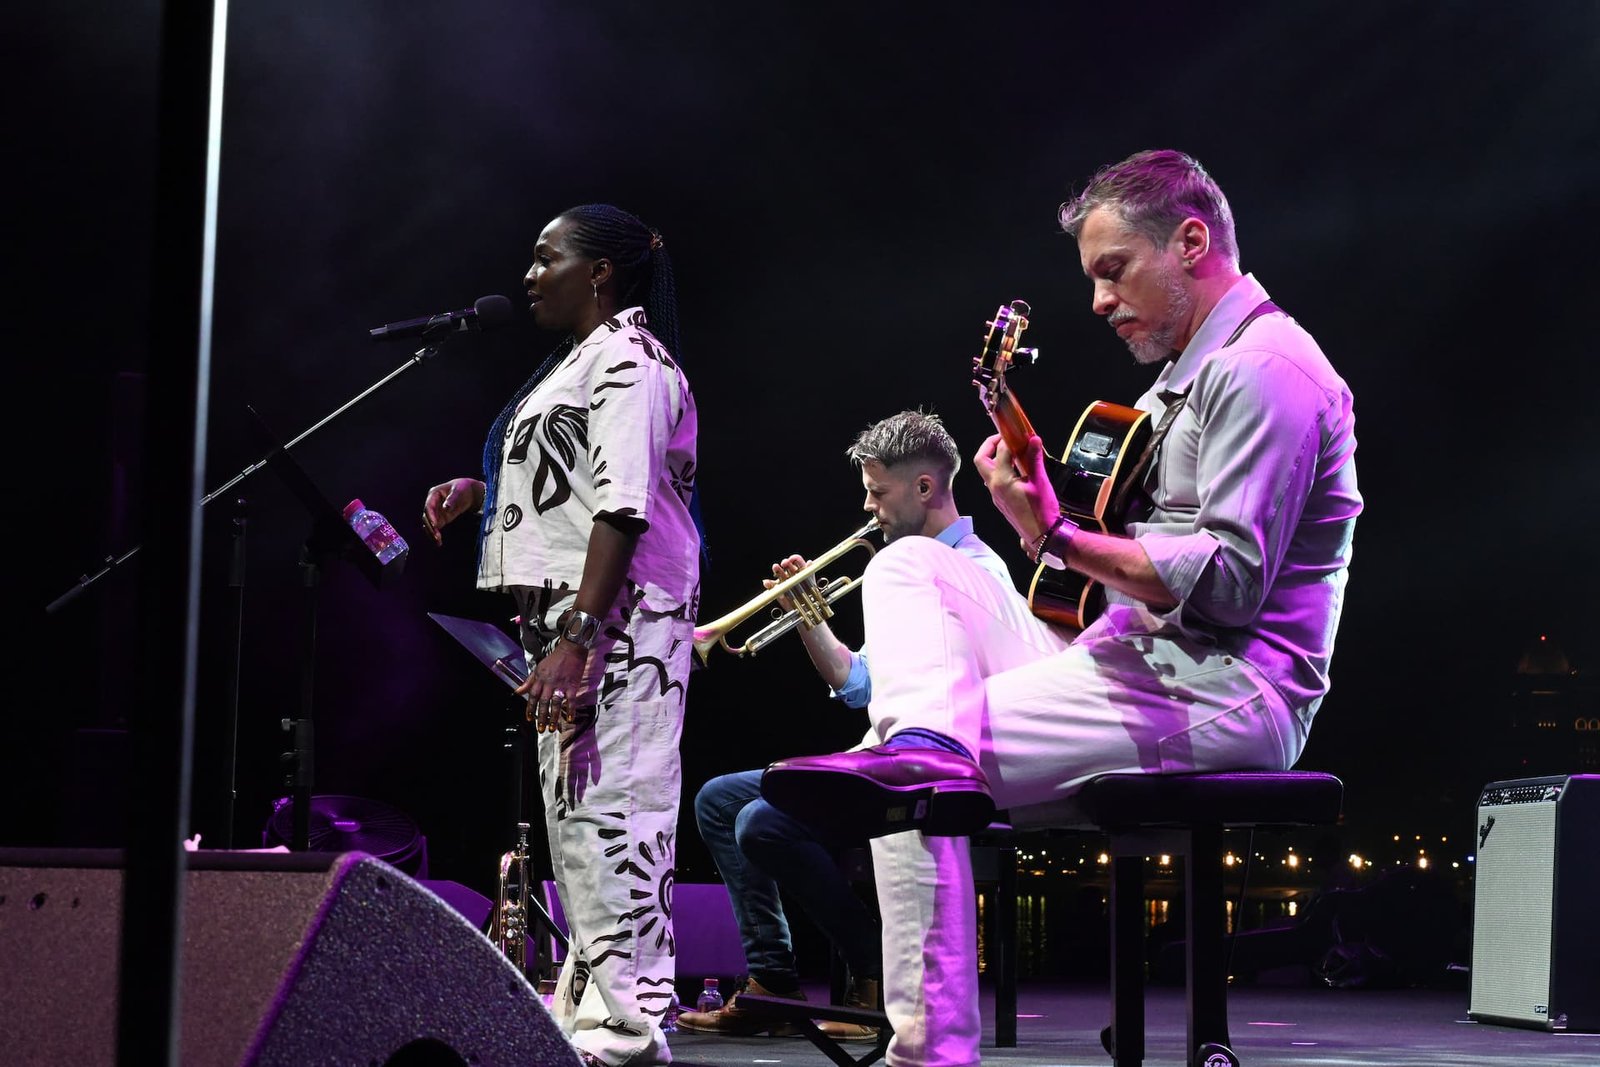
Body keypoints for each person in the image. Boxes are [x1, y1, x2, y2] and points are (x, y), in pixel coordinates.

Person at [760, 149, 1363, 1067]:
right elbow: (1127, 558)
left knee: (907, 772)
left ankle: (927, 1052)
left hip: (1230, 689)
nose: (1098, 301)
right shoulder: (1185, 379)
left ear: (1191, 242)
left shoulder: (1265, 369)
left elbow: (1229, 583)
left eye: (1113, 270)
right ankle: (924, 749)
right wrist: (1045, 511)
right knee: (909, 562)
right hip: (1136, 654)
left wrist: (1052, 535)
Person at [422, 204, 700, 1067]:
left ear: (601, 274)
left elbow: (623, 504)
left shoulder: (627, 359)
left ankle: (629, 1029)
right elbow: (585, 479)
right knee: (581, 824)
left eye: (547, 259)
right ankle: (589, 1018)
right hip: (582, 617)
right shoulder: (585, 361)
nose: (530, 275)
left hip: (620, 621)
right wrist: (487, 491)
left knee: (618, 816)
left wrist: (581, 635)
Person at [677, 410, 1020, 1043]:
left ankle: (873, 970)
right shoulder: (903, 566)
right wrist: (806, 615)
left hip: (936, 768)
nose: (868, 508)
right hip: (884, 751)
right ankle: (773, 983)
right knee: (720, 800)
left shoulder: (978, 572)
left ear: (923, 488)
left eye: (878, 492)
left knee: (761, 821)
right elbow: (859, 684)